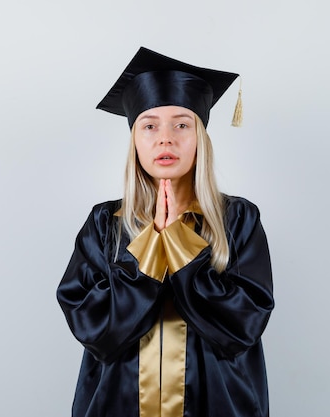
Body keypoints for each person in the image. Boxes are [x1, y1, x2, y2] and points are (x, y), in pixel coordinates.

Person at [57, 47, 274, 417]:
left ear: (200, 137)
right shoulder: (105, 225)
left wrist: (176, 240)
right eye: (150, 125)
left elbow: (241, 329)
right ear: (136, 141)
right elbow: (97, 333)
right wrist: (149, 247)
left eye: (182, 124)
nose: (165, 138)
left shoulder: (237, 219)